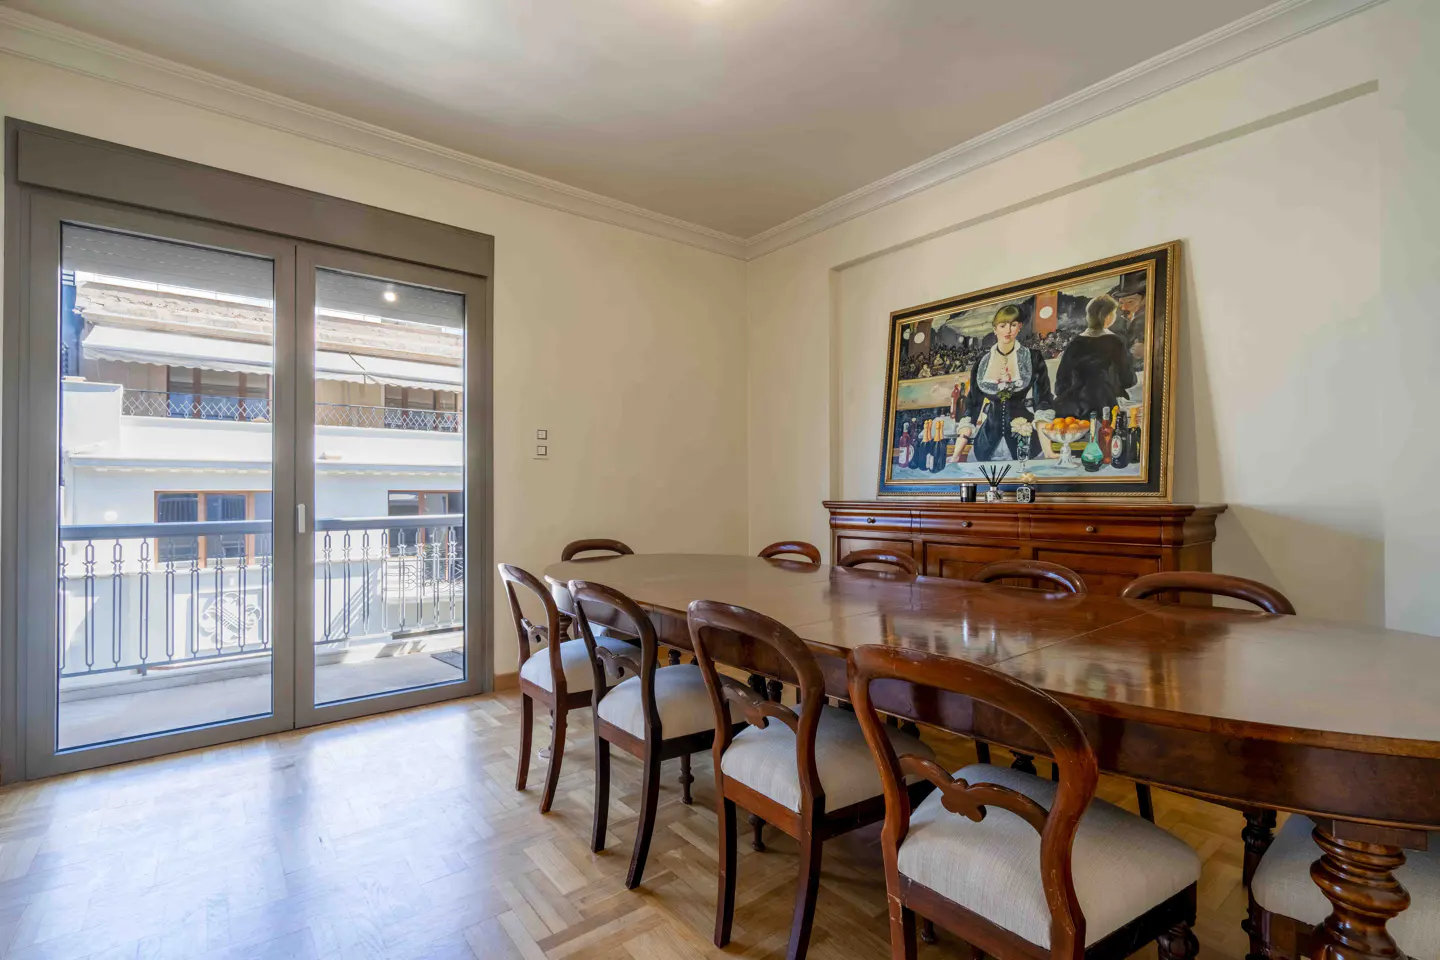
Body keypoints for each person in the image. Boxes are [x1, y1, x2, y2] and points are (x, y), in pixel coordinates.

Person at [956, 305, 1054, 462]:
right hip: (986, 444)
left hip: (1025, 442)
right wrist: (956, 453)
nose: (1008, 330)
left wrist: (1048, 451)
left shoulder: (1033, 358)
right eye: (1003, 326)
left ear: (1019, 327)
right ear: (995, 329)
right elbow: (973, 405)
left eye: (1013, 325)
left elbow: (1042, 401)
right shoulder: (982, 362)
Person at [1052, 294, 1137, 420]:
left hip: (1074, 408)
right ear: (1107, 317)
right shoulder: (1115, 342)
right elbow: (1127, 380)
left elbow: (1061, 383)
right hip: (1104, 406)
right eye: (1114, 313)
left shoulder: (1075, 343)